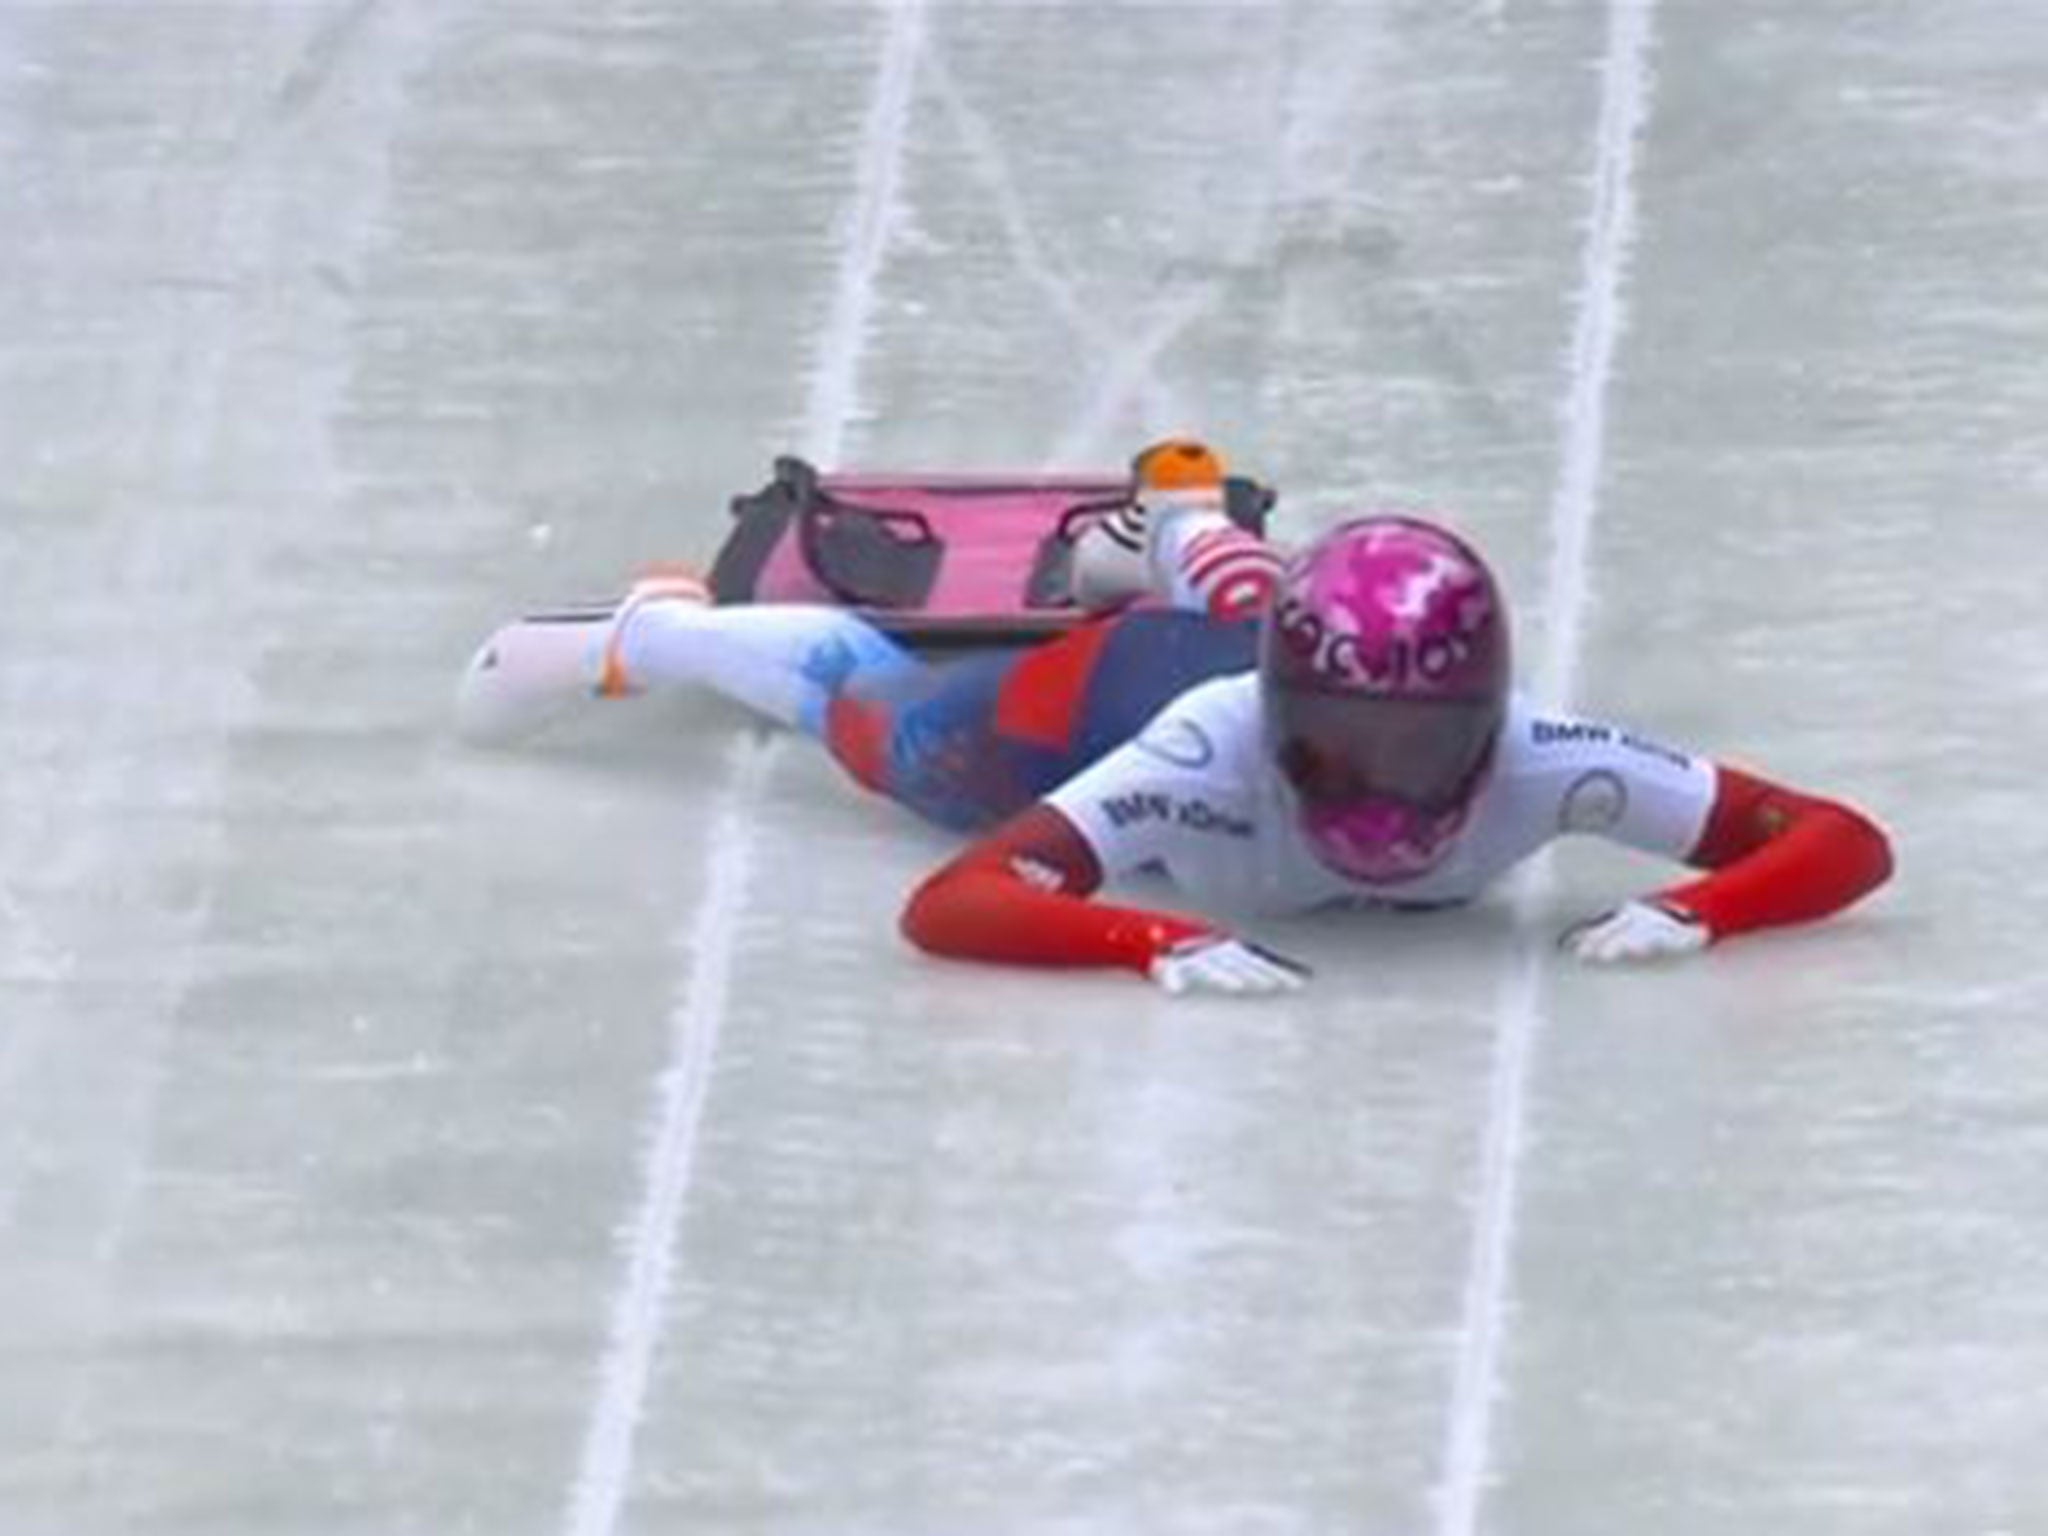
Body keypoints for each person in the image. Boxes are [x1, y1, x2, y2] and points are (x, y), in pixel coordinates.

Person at [456, 441, 1893, 995]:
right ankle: (655, 634)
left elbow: (1838, 842)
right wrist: (1153, 937)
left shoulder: (1544, 757)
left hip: (1237, 641)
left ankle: (1184, 523)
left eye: (1418, 740)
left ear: (1486, 713)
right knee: (885, 729)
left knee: (1243, 598)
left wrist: (1713, 910)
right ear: (1284, 711)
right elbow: (960, 896)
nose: (1383, 782)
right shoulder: (1204, 749)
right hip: (1102, 699)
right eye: (1345, 740)